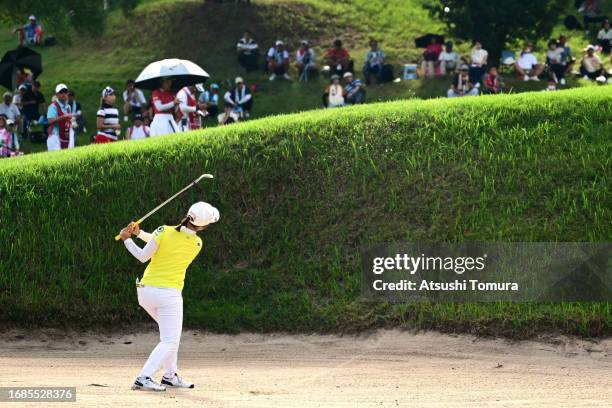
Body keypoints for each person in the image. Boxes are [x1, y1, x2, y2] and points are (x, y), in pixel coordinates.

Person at [118, 202, 220, 392]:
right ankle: (144, 377)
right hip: (167, 295)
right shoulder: (197, 243)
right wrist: (131, 238)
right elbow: (162, 245)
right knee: (170, 340)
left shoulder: (162, 230)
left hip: (145, 291)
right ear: (203, 226)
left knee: (171, 337)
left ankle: (170, 376)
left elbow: (147, 252)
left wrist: (130, 237)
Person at [46, 83, 74, 151]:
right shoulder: (53, 106)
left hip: (65, 135)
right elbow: (50, 121)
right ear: (57, 95)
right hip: (54, 136)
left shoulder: (68, 107)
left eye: (65, 92)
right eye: (61, 92)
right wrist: (63, 117)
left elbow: (68, 120)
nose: (63, 94)